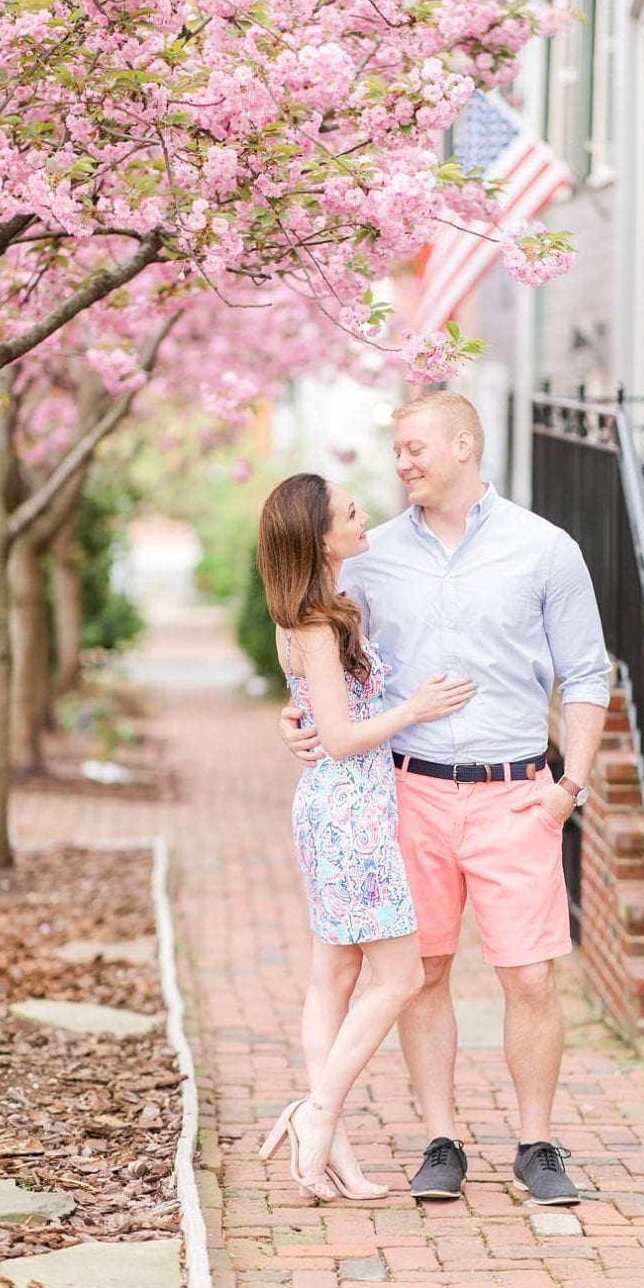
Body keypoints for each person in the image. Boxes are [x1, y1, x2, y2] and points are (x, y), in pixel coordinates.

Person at [280, 391, 610, 1206]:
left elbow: (590, 674)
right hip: (407, 794)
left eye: (417, 447)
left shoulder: (546, 549)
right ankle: (443, 1137)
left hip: (517, 795)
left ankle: (537, 1143)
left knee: (529, 978)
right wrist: (294, 714)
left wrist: (570, 787)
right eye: (396, 450)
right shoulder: (369, 556)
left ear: (465, 444)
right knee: (424, 972)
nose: (403, 462)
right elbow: (322, 652)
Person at [255, 473, 476, 1201]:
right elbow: (344, 736)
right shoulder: (317, 624)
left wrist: (293, 722)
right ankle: (316, 1113)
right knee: (400, 976)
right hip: (349, 809)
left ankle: (333, 1149)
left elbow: (315, 713)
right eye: (350, 511)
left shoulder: (314, 610)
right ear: (321, 537)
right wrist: (414, 707)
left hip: (341, 805)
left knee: (335, 975)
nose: (363, 515)